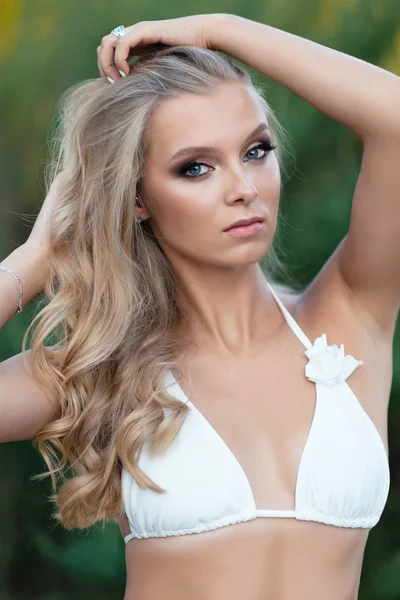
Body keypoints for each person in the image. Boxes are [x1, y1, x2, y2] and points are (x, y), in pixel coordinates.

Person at [0, 12, 398, 600]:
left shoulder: (348, 317)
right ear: (137, 198)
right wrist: (34, 260)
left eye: (256, 150)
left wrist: (220, 30)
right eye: (197, 167)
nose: (243, 187)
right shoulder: (96, 368)